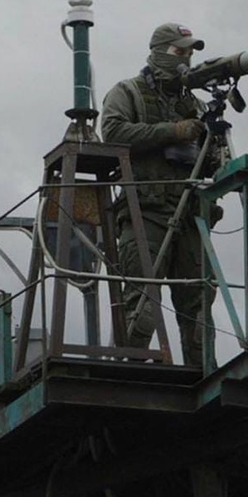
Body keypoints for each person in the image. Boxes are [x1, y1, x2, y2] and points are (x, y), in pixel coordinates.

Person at [101, 23, 216, 367]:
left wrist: (212, 142)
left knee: (197, 303)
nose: (187, 58)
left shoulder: (194, 102)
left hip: (190, 211)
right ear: (158, 52)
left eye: (190, 52)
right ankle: (131, 373)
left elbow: (210, 160)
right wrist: (172, 131)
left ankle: (201, 374)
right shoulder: (129, 92)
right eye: (179, 52)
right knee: (142, 301)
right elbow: (112, 131)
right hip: (145, 210)